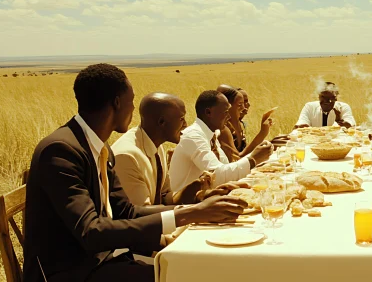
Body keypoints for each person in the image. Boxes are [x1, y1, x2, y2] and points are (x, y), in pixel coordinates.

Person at [23, 64, 247, 282]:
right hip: (71, 272)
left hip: (103, 262)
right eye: (131, 101)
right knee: (189, 275)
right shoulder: (61, 150)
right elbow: (91, 232)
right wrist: (187, 215)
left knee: (195, 268)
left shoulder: (99, 148)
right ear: (117, 103)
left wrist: (193, 209)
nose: (133, 110)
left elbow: (125, 211)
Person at [112, 93, 245, 206]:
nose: (186, 124)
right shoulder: (127, 155)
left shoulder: (155, 145)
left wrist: (201, 194)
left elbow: (165, 197)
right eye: (181, 119)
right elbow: (140, 214)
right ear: (162, 122)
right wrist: (197, 210)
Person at [169, 90, 274, 193]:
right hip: (186, 204)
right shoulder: (193, 137)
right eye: (225, 112)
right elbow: (216, 175)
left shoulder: (211, 135)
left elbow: (224, 168)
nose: (229, 117)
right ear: (208, 112)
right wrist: (253, 159)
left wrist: (256, 156)